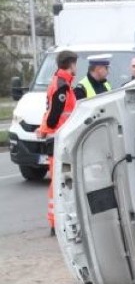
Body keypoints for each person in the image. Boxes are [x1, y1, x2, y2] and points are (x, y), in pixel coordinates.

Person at [37, 49, 78, 234]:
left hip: (58, 138)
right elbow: (54, 115)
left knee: (60, 182)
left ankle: (57, 222)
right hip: (59, 139)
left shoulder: (61, 82)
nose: (76, 67)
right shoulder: (62, 85)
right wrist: (47, 129)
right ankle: (56, 224)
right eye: (75, 64)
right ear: (70, 64)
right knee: (59, 183)